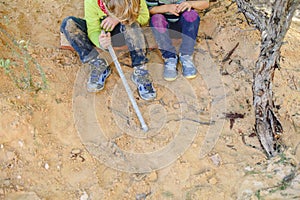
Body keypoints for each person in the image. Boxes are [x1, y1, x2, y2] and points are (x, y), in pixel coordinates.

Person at [60, 0, 156, 101]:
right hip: (102, 33)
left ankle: (140, 70)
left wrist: (119, 18)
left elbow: (144, 18)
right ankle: (97, 63)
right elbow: (93, 29)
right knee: (69, 23)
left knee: (133, 24)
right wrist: (101, 42)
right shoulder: (92, 2)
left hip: (123, 32)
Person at [146, 0, 209, 81]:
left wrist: (190, 3)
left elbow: (205, 3)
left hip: (185, 27)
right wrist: (165, 8)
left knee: (192, 15)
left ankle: (186, 55)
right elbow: (149, 10)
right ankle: (169, 57)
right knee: (156, 19)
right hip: (164, 28)